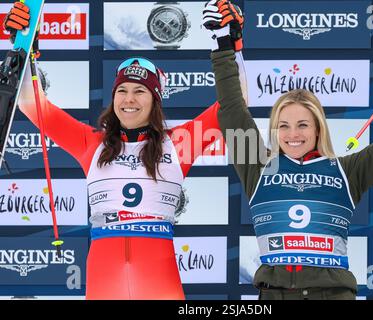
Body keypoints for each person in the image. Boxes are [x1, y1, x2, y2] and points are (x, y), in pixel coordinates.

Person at [2, 2, 245, 300]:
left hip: (159, 280)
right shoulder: (91, 143)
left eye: (140, 91)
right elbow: (30, 104)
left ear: (155, 100)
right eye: (122, 90)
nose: (129, 99)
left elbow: (235, 104)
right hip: (105, 278)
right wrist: (23, 46)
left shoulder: (179, 143)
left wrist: (229, 43)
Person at [202, 0, 373, 300]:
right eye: (283, 126)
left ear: (318, 129)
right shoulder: (257, 166)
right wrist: (222, 44)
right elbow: (232, 109)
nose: (292, 134)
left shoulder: (346, 170)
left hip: (333, 294)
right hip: (275, 296)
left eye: (302, 125)